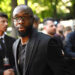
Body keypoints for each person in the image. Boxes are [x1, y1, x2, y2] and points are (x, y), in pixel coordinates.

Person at [10, 5, 66, 75]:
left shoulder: (47, 42)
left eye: (25, 17)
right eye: (16, 17)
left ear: (32, 20)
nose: (20, 21)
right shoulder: (15, 45)